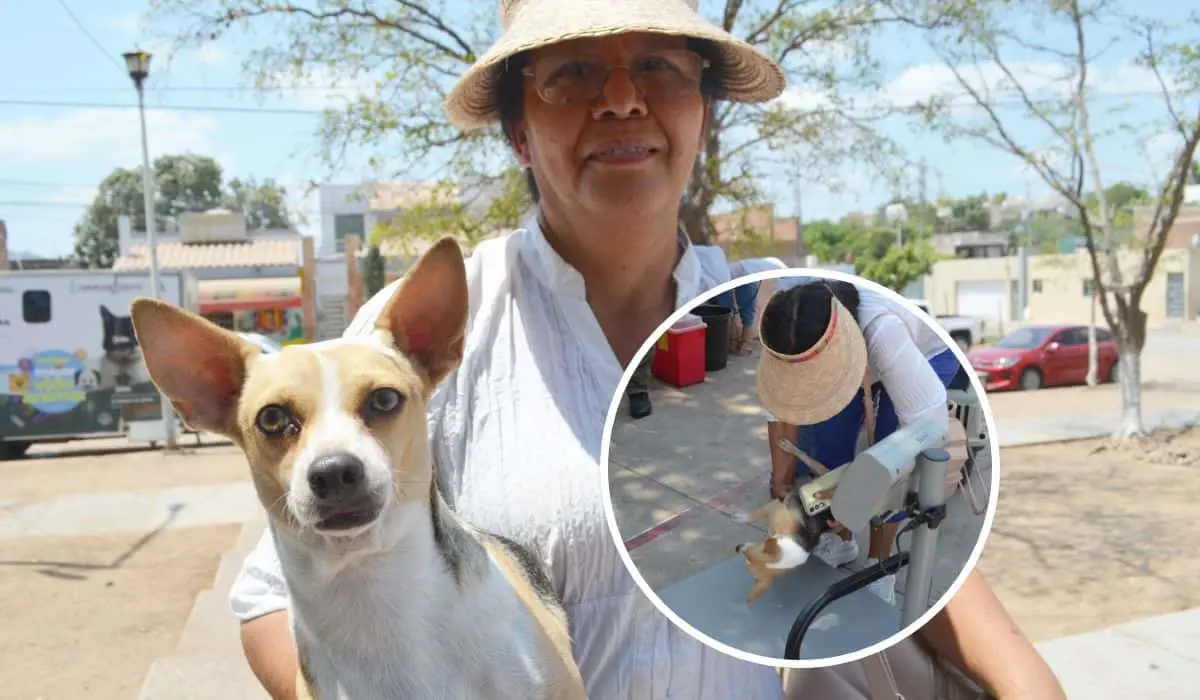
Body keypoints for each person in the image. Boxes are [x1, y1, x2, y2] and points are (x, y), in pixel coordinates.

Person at [227, 0, 1065, 698]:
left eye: (660, 67)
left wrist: (1027, 677)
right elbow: (276, 591)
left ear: (702, 112)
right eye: (574, 73)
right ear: (519, 131)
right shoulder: (430, 333)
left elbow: (931, 568)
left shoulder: (783, 301)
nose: (622, 100)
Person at [757, 278, 962, 605]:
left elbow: (925, 433)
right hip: (851, 355)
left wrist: (860, 497)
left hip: (925, 356)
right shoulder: (784, 320)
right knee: (827, 444)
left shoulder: (883, 330)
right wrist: (781, 484)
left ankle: (880, 566)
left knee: (887, 456)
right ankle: (841, 541)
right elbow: (779, 407)